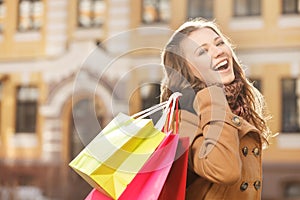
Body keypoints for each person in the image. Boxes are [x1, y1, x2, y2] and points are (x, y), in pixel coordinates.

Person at [160, 18, 273, 200]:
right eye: (202, 52)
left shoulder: (237, 108)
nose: (218, 51)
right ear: (186, 71)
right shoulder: (185, 121)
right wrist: (213, 94)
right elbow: (225, 171)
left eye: (219, 43)